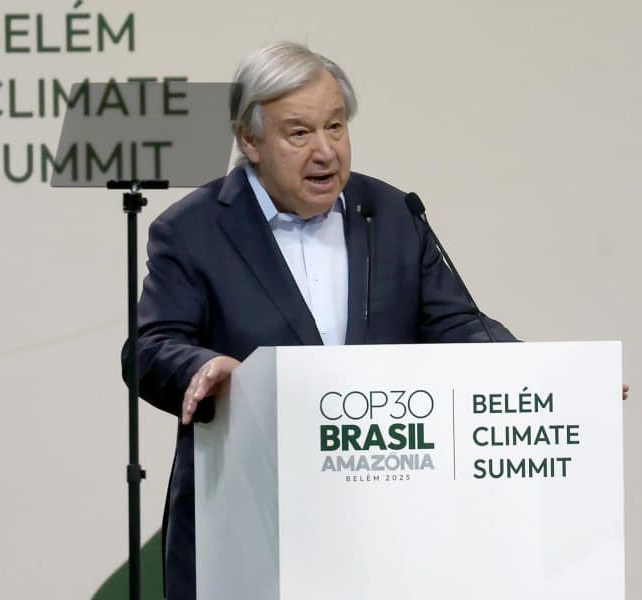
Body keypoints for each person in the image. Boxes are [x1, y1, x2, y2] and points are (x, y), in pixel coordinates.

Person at [123, 42, 627, 600]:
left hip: (382, 523)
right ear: (250, 140)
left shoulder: (390, 212)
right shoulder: (193, 229)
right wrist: (202, 365)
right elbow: (149, 346)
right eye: (299, 134)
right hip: (248, 523)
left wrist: (554, 379)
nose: (326, 152)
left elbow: (460, 325)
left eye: (336, 127)